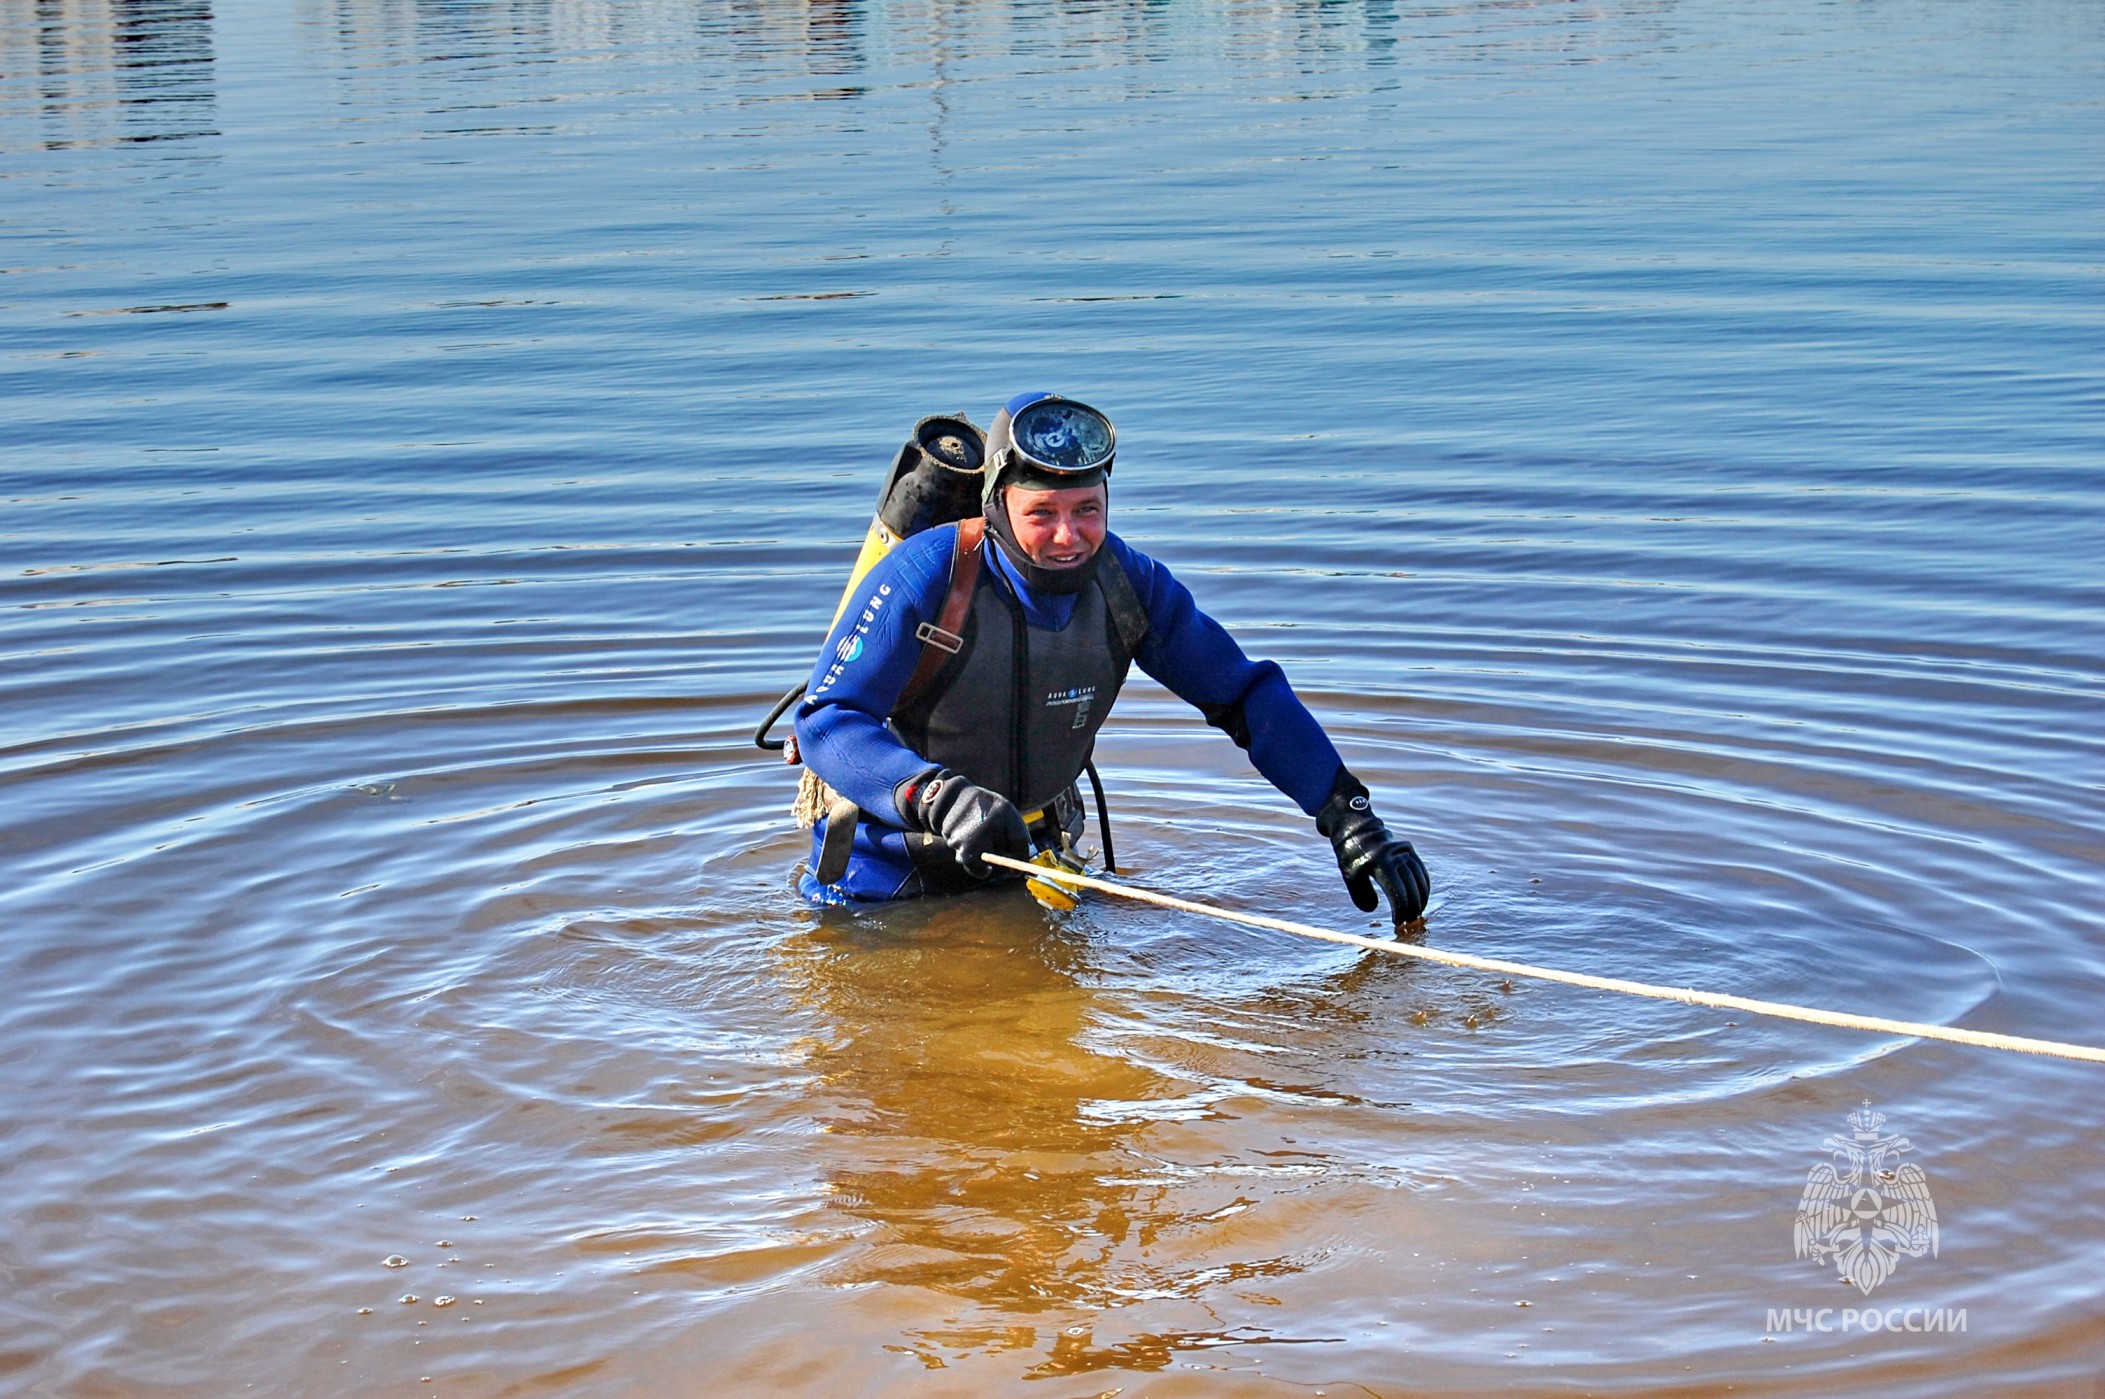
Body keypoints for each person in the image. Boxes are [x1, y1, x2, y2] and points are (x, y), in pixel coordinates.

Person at [791, 391, 1430, 930]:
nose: (1069, 537)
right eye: (1041, 513)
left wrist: (1349, 816)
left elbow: (1242, 695)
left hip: (1036, 865)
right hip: (885, 878)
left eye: (1087, 511)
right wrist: (936, 795)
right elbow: (825, 720)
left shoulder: (1128, 586)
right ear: (996, 508)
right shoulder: (927, 576)